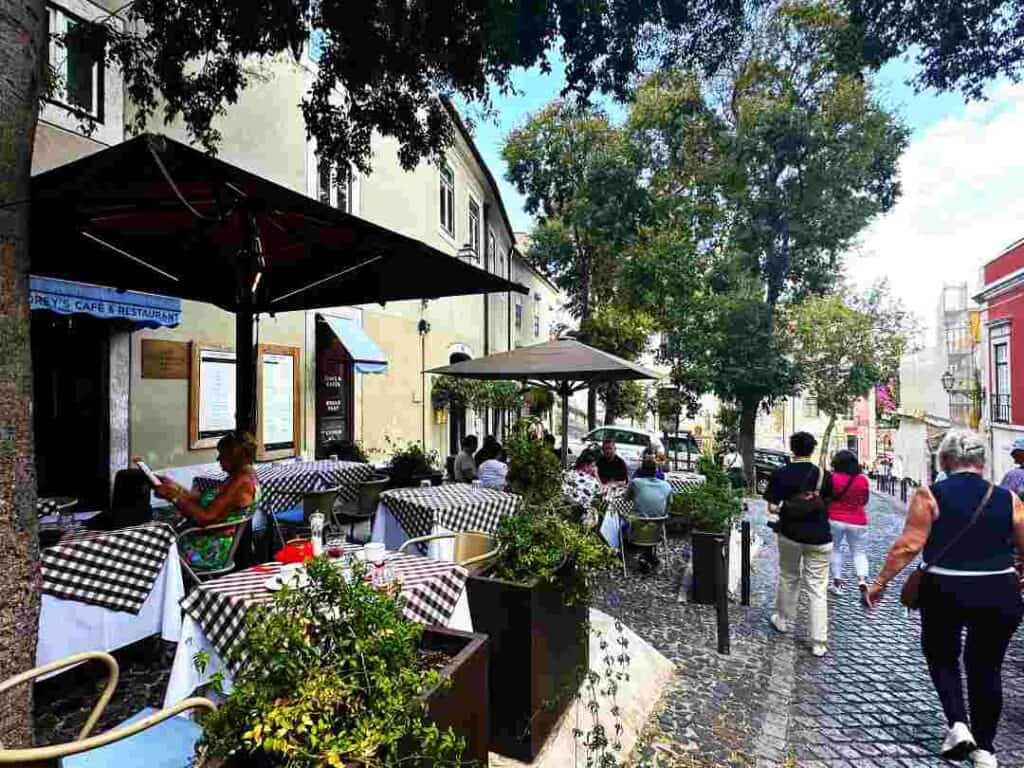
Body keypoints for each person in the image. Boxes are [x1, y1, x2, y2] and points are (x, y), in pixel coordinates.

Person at [865, 431, 1024, 768]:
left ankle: (958, 724)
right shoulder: (1008, 498)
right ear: (981, 462)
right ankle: (986, 751)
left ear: (946, 460)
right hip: (998, 590)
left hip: (946, 589)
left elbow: (908, 545)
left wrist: (880, 582)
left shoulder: (930, 495)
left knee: (942, 655)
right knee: (987, 666)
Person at [764, 431, 834, 657]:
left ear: (792, 449)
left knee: (788, 576)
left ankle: (783, 620)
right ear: (812, 449)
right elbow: (828, 505)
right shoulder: (824, 476)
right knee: (817, 588)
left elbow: (772, 508)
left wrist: (787, 507)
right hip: (820, 537)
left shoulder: (781, 474)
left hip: (790, 534)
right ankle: (819, 641)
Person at [153, 431, 260, 571]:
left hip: (206, 550)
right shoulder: (242, 476)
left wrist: (175, 497)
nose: (218, 459)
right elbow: (204, 500)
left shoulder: (240, 482)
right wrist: (175, 487)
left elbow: (205, 518)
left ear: (235, 456)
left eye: (222, 454)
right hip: (207, 540)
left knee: (153, 546)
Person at [827, 449, 871, 596]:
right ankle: (862, 579)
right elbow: (865, 500)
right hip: (858, 520)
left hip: (835, 518)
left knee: (835, 549)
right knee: (859, 552)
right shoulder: (862, 479)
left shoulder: (832, 478)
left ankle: (837, 581)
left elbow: (827, 497)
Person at [623, 454, 674, 570]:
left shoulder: (635, 483)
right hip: (657, 532)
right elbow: (668, 507)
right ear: (656, 471)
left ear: (641, 469)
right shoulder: (666, 485)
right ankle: (649, 556)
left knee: (624, 522)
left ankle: (639, 557)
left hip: (636, 533)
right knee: (650, 520)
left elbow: (626, 499)